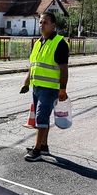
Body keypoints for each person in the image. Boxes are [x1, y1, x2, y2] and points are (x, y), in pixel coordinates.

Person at [20, 12, 69, 161]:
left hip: (50, 88)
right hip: (37, 87)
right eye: (40, 22)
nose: (41, 25)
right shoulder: (38, 43)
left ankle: (36, 151)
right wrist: (26, 82)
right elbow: (33, 65)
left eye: (45, 22)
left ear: (53, 25)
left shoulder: (60, 43)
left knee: (41, 117)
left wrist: (62, 89)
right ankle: (44, 146)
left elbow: (64, 69)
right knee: (43, 118)